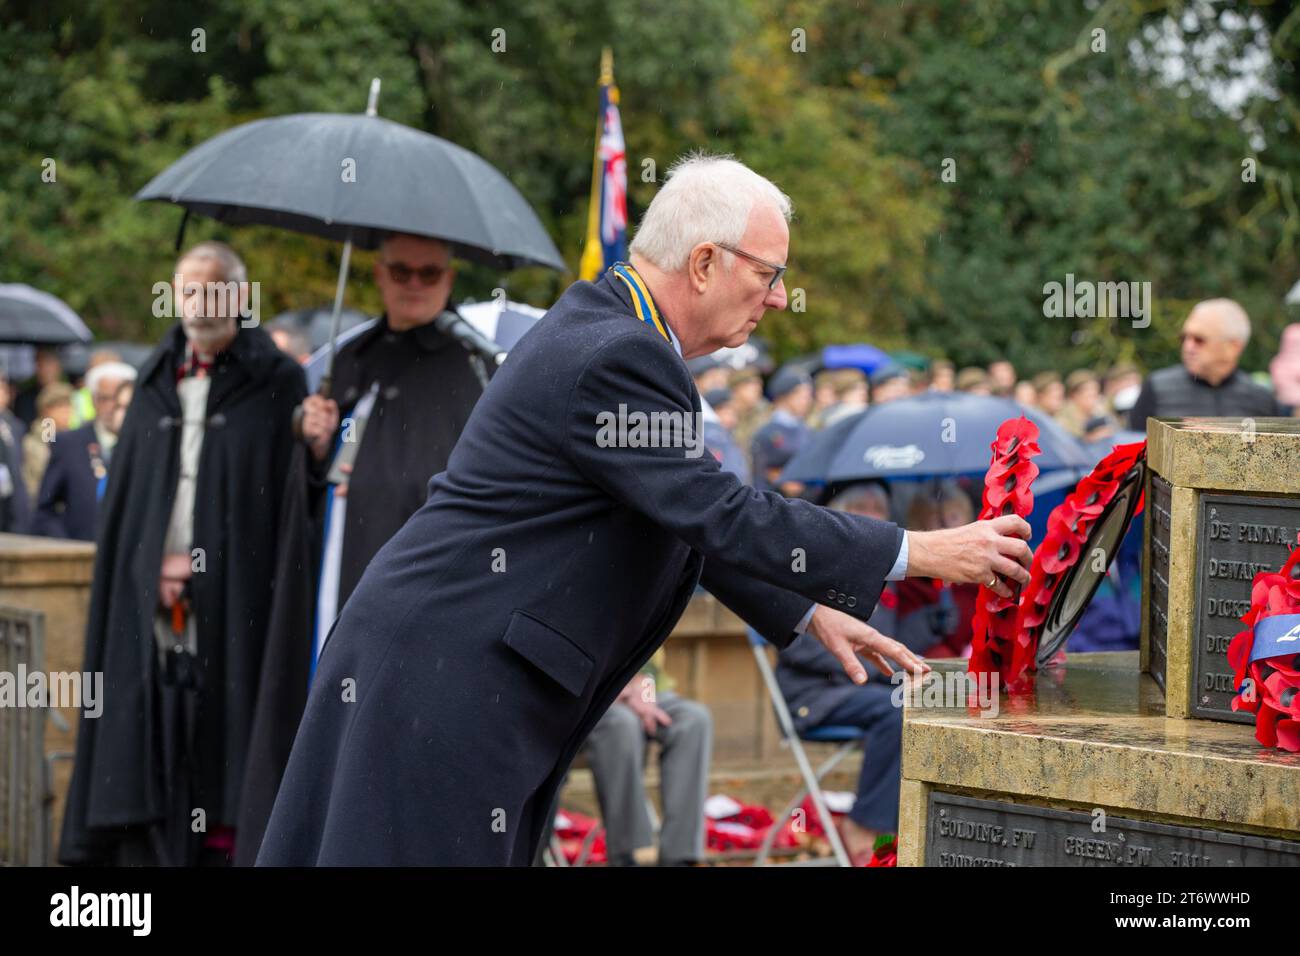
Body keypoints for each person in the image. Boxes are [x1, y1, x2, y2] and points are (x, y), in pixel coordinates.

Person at [257, 153, 1032, 867]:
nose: (779, 297)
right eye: (768, 274)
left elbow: (680, 515)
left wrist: (804, 610)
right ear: (705, 262)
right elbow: (721, 511)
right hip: (444, 677)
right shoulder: (617, 352)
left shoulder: (616, 330)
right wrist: (921, 551)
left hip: (450, 665)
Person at [234, 232, 488, 865]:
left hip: (416, 585)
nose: (415, 283)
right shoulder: (347, 359)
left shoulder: (470, 368)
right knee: (319, 710)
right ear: (377, 274)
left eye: (429, 273)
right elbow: (303, 485)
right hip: (332, 569)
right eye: (401, 270)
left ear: (449, 278)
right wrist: (313, 443)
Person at [59, 241, 307, 866]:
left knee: (226, 731)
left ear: (239, 297)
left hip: (237, 599)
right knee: (150, 729)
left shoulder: (275, 382)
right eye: (187, 291)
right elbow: (134, 506)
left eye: (211, 290)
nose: (197, 305)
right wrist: (154, 566)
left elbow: (279, 503)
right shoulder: (153, 380)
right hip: (154, 606)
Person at [582, 663, 713, 867]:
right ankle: (631, 854)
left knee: (694, 719)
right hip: (589, 693)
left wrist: (643, 685)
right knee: (622, 724)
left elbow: (653, 656)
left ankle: (680, 857)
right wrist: (610, 685)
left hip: (643, 683)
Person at [1128, 298, 1289, 429]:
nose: (1188, 347)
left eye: (1199, 339)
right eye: (1184, 337)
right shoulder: (1157, 388)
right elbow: (1132, 448)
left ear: (1233, 347)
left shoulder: (1260, 398)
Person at [32, 361, 137, 540]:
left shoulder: (144, 446)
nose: (114, 407)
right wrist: (66, 546)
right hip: (79, 549)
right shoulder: (67, 442)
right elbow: (45, 509)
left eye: (122, 402)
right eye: (106, 398)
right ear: (94, 400)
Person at [750, 366, 813, 494]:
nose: (808, 401)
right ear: (786, 396)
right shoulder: (766, 432)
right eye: (803, 396)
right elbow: (760, 474)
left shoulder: (806, 429)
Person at [21, 381, 74, 499]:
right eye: (61, 406)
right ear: (46, 410)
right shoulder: (35, 442)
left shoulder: (71, 436)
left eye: (69, 405)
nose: (67, 411)